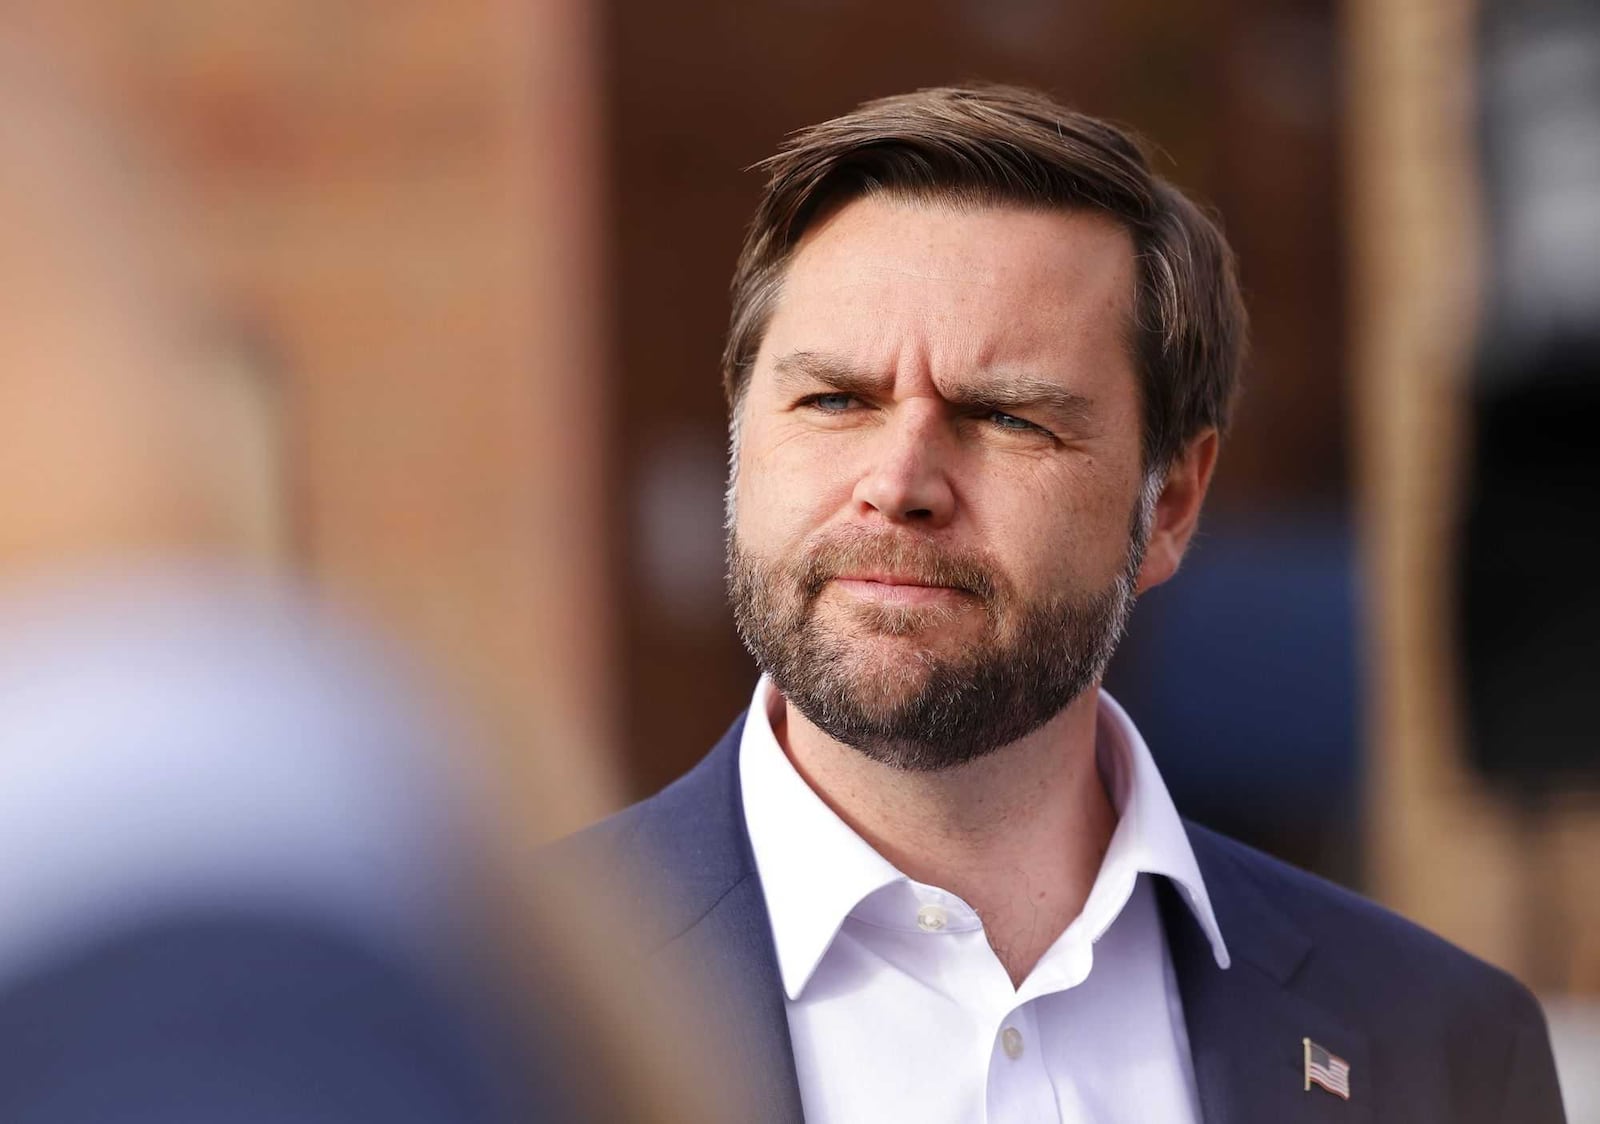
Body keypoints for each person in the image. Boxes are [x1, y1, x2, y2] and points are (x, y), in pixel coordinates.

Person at [561, 84, 1568, 1122]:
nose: (899, 479)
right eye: (835, 399)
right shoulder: (482, 1003)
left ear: (1169, 501)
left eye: (1005, 416)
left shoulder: (1442, 1046)